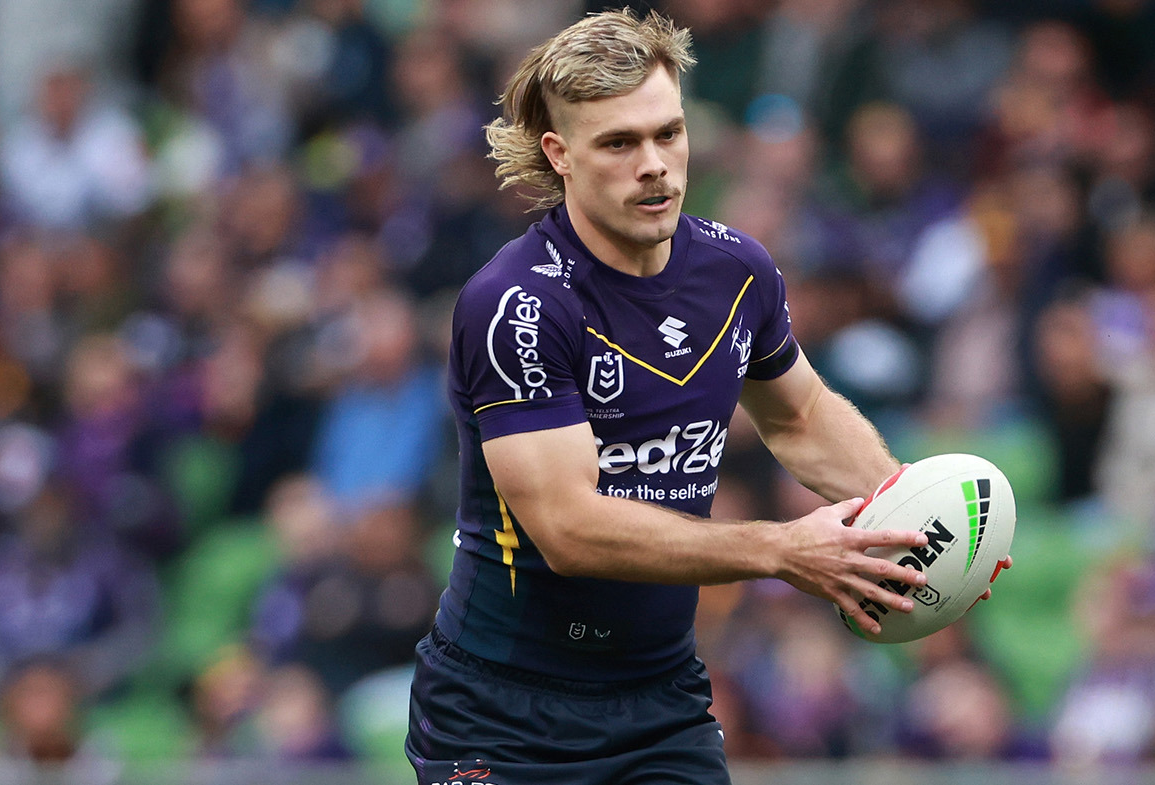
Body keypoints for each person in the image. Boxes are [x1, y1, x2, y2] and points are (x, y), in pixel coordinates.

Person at [406, 9, 998, 784]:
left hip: (660, 699)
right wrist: (783, 551)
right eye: (619, 143)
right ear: (561, 155)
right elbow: (568, 528)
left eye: (668, 133)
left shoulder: (737, 270)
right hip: (505, 710)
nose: (655, 164)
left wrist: (912, 521)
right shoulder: (515, 304)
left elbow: (804, 417)